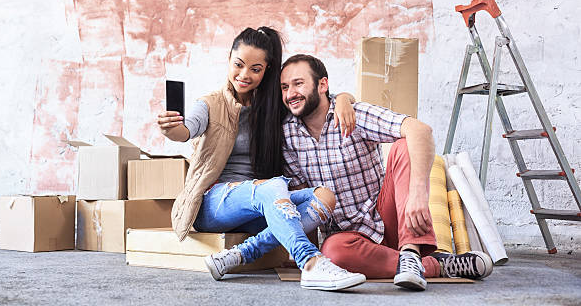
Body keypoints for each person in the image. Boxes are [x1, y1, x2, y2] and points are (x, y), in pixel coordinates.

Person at [157, 28, 366, 291]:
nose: (245, 75)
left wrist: (345, 99)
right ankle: (310, 263)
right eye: (239, 65)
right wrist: (171, 128)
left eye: (255, 69)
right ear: (229, 59)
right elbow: (186, 129)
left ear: (266, 71)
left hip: (259, 205)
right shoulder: (210, 104)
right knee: (272, 186)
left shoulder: (270, 108)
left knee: (324, 197)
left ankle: (236, 255)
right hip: (212, 204)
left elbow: (312, 98)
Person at [279, 54, 494, 291]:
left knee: (404, 144)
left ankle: (411, 252)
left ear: (322, 85)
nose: (290, 94)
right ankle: (436, 266)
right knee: (333, 252)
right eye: (285, 87)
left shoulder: (353, 114)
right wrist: (308, 258)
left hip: (389, 218)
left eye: (298, 84)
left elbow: (420, 131)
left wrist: (417, 195)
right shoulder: (288, 136)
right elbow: (303, 199)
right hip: (350, 241)